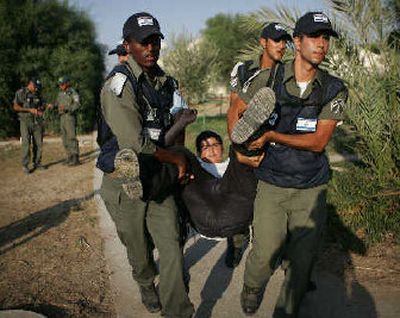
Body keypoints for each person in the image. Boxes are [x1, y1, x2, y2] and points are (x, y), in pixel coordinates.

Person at [229, 12, 348, 317]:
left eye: (326, 38)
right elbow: (236, 106)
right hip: (272, 183)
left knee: (302, 260)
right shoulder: (268, 78)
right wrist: (238, 142)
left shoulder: (334, 89)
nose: (321, 44)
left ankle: (287, 311)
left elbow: (319, 142)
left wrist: (270, 135)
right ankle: (252, 288)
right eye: (314, 37)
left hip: (311, 187)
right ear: (297, 41)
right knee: (266, 250)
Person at [96, 12, 194, 317]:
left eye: (155, 40)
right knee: (139, 253)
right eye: (143, 42)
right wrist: (176, 158)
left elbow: (175, 126)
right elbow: (135, 142)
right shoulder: (119, 85)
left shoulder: (166, 82)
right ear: (128, 45)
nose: (150, 48)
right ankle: (145, 283)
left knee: (173, 251)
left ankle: (178, 311)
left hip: (158, 178)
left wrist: (181, 160)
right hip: (124, 178)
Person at [13, 77, 47, 174]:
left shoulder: (37, 94)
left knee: (38, 143)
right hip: (25, 121)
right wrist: (29, 110)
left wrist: (41, 109)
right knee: (26, 143)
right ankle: (25, 165)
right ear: (30, 84)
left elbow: (42, 105)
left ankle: (37, 163)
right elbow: (15, 107)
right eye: (35, 87)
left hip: (36, 121)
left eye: (38, 87)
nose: (36, 89)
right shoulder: (21, 93)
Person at [51, 76, 81, 166]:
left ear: (67, 83)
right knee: (64, 138)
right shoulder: (60, 94)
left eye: (62, 84)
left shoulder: (73, 93)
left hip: (69, 117)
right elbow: (57, 103)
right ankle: (69, 156)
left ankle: (75, 157)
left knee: (71, 136)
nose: (61, 86)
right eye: (60, 84)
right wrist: (52, 105)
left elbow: (77, 104)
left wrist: (67, 108)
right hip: (62, 118)